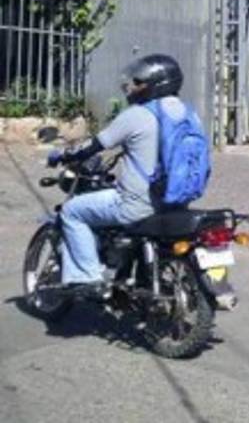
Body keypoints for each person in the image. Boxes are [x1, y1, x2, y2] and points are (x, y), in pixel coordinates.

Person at [50, 54, 188, 297]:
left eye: (138, 82)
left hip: (137, 204)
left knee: (72, 211)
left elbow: (93, 146)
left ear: (156, 84)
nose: (132, 87)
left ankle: (88, 277)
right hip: (176, 201)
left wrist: (64, 155)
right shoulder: (187, 114)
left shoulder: (137, 114)